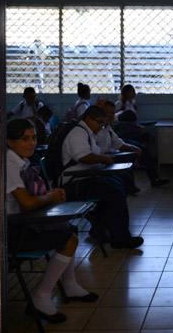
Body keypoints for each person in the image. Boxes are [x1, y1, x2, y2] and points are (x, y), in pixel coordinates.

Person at [5, 118, 97, 324]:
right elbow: (27, 204)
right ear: (10, 142)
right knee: (69, 240)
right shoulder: (9, 164)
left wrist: (49, 194)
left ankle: (70, 284)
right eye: (24, 139)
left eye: (34, 138)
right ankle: (41, 297)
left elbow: (28, 198)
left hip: (22, 222)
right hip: (10, 232)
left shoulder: (20, 160)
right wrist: (49, 198)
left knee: (70, 230)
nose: (31, 143)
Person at [59, 105, 144, 249]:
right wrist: (103, 159)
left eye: (102, 123)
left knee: (119, 184)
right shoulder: (78, 133)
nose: (101, 126)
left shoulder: (88, 132)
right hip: (73, 182)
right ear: (88, 119)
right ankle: (120, 239)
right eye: (99, 122)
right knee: (113, 191)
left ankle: (98, 226)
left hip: (86, 176)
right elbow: (83, 157)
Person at [99, 101, 167, 188]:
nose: (109, 115)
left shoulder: (107, 127)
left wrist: (132, 147)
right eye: (105, 112)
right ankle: (132, 186)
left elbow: (118, 142)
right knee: (130, 155)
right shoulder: (96, 128)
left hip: (119, 144)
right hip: (108, 153)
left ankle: (152, 180)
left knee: (140, 150)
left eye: (112, 113)